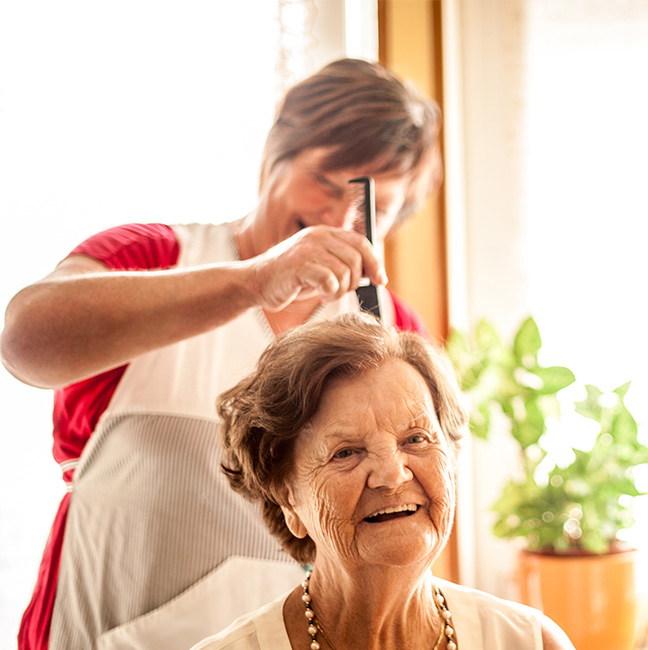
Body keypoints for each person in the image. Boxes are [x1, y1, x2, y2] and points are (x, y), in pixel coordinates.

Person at [0, 59, 441, 650]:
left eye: (371, 208)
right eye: (326, 184)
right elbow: (26, 340)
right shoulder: (154, 258)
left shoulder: (389, 329)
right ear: (272, 158)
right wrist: (254, 281)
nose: (338, 221)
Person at [191, 313, 574, 650]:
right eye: (346, 452)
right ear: (288, 499)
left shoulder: (531, 644)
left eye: (415, 439)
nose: (392, 475)